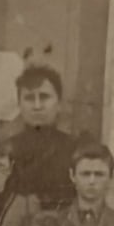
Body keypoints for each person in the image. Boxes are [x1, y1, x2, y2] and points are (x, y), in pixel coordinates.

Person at [7, 62, 74, 208]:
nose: (37, 106)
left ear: (59, 104)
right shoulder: (7, 149)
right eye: (29, 98)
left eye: (44, 97)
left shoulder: (74, 149)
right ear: (19, 105)